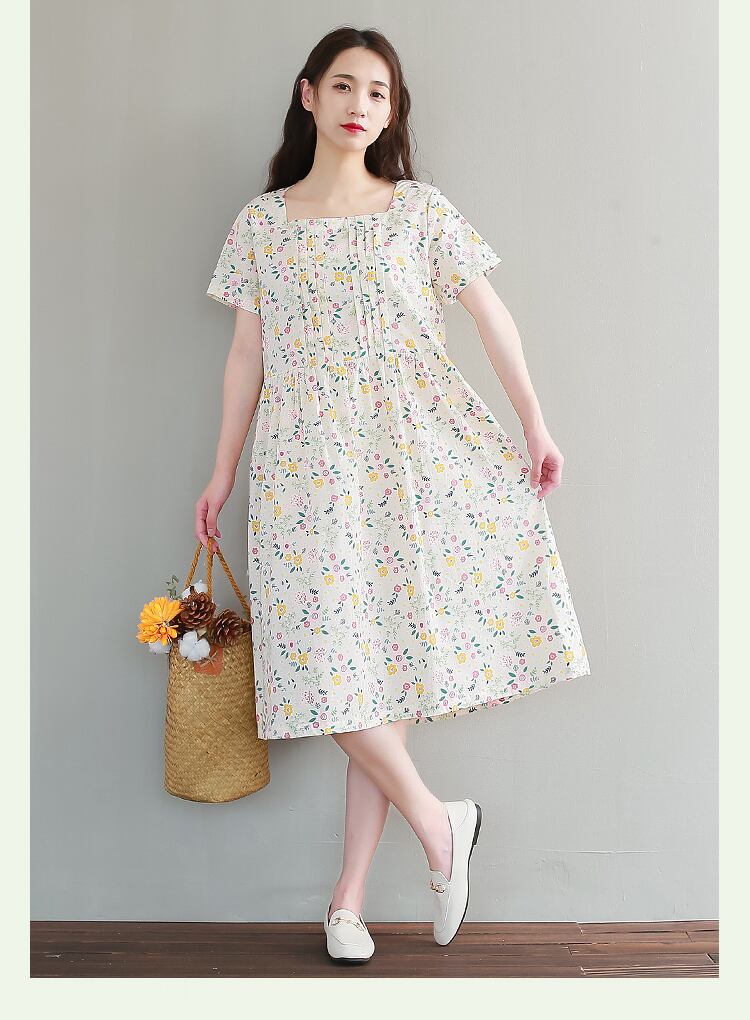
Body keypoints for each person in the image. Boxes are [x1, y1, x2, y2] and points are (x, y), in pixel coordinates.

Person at [197, 26, 591, 962]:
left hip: (416, 459)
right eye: (343, 86)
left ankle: (347, 903)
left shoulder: (419, 210)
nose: (360, 105)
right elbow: (246, 356)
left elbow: (492, 318)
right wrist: (221, 470)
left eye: (378, 92)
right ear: (308, 95)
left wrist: (534, 423)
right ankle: (440, 823)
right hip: (301, 468)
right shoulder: (263, 223)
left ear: (391, 112)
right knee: (320, 664)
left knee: (386, 673)